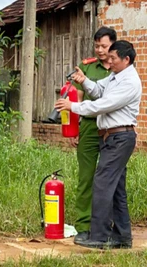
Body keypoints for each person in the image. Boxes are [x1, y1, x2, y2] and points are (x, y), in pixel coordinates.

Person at [55, 40, 142, 249]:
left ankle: (99, 236)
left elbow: (103, 104)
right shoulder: (115, 76)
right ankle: (122, 237)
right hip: (111, 138)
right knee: (117, 188)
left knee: (102, 183)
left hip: (120, 137)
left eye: (113, 58)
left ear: (126, 59)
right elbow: (97, 90)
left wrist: (73, 106)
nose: (108, 61)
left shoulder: (130, 81)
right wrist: (84, 81)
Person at [72, 27, 117, 244]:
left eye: (104, 46)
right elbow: (76, 99)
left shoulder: (121, 68)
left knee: (111, 179)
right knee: (86, 178)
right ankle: (83, 225)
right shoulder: (87, 68)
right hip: (89, 128)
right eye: (96, 45)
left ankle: (109, 225)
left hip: (113, 130)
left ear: (113, 46)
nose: (99, 50)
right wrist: (74, 129)